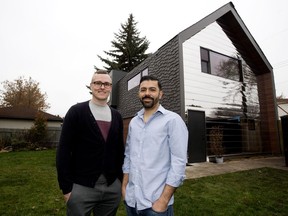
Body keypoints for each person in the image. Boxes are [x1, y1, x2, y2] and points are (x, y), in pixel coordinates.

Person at [56, 70, 124, 216]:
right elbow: (63, 152)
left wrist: (120, 182)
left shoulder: (117, 116)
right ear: (91, 86)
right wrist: (67, 188)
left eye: (106, 84)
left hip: (112, 188)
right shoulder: (76, 112)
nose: (102, 87)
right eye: (97, 83)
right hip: (81, 187)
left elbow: (119, 151)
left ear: (111, 87)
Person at [122, 75, 188, 216]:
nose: (147, 93)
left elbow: (179, 162)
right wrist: (124, 186)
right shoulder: (134, 122)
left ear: (160, 94)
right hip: (132, 201)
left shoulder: (173, 121)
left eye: (152, 89)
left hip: (155, 205)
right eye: (143, 89)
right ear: (139, 94)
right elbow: (128, 155)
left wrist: (163, 201)